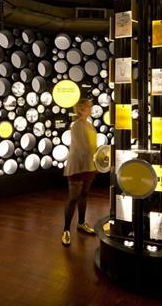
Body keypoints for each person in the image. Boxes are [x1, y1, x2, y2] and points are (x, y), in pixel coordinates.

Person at [62, 98, 97, 246]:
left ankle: (81, 223)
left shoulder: (89, 125)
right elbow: (82, 147)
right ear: (82, 109)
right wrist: (96, 158)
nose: (91, 108)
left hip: (89, 165)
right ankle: (66, 230)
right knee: (73, 198)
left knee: (84, 194)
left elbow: (92, 146)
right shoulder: (76, 125)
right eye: (89, 106)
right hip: (77, 166)